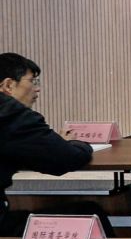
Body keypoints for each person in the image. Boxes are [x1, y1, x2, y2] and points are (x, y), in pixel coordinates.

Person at [0, 53, 93, 211]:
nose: (37, 89)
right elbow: (68, 159)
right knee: (88, 211)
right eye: (32, 81)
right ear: (8, 85)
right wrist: (73, 143)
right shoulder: (13, 116)